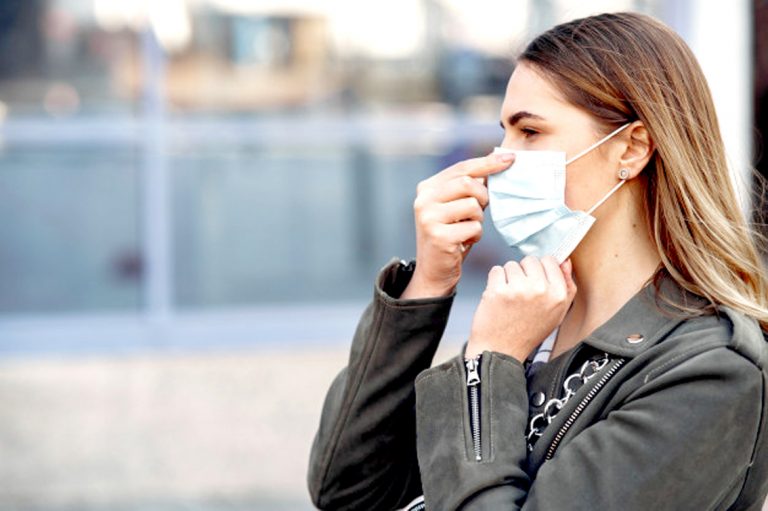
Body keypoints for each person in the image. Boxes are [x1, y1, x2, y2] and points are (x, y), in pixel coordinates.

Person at [307, 12, 768, 510]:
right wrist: (427, 285)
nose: (501, 159)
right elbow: (349, 489)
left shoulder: (712, 371)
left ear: (631, 149)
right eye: (504, 132)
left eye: (529, 132)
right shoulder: (537, 319)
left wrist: (487, 365)